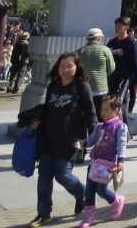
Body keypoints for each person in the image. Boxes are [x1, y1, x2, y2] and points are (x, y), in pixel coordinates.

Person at [27, 53, 97, 227]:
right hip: (49, 138)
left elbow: (90, 112)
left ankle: (81, 194)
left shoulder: (82, 86)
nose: (66, 70)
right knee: (44, 177)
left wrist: (94, 135)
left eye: (69, 66)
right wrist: (37, 121)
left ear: (77, 67)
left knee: (63, 175)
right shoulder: (53, 86)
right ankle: (44, 214)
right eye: (62, 66)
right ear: (57, 68)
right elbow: (48, 110)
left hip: (73, 139)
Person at [78, 95, 127, 227]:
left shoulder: (119, 126)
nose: (103, 113)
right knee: (89, 191)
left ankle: (117, 201)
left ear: (116, 110)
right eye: (102, 109)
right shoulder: (99, 126)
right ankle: (88, 217)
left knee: (101, 191)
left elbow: (122, 144)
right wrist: (82, 143)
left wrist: (121, 160)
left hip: (107, 165)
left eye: (106, 109)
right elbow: (91, 140)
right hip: (94, 164)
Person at [106, 17, 137, 132]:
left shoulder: (131, 43)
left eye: (119, 26)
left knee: (118, 104)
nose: (116, 28)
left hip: (125, 78)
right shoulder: (112, 43)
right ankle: (114, 130)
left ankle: (124, 132)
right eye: (115, 26)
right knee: (112, 104)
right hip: (112, 78)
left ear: (126, 27)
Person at [76, 28, 115, 112]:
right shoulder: (106, 50)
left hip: (84, 87)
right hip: (101, 88)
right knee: (100, 113)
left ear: (88, 39)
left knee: (86, 113)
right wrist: (103, 75)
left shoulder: (80, 51)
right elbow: (111, 68)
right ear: (99, 38)